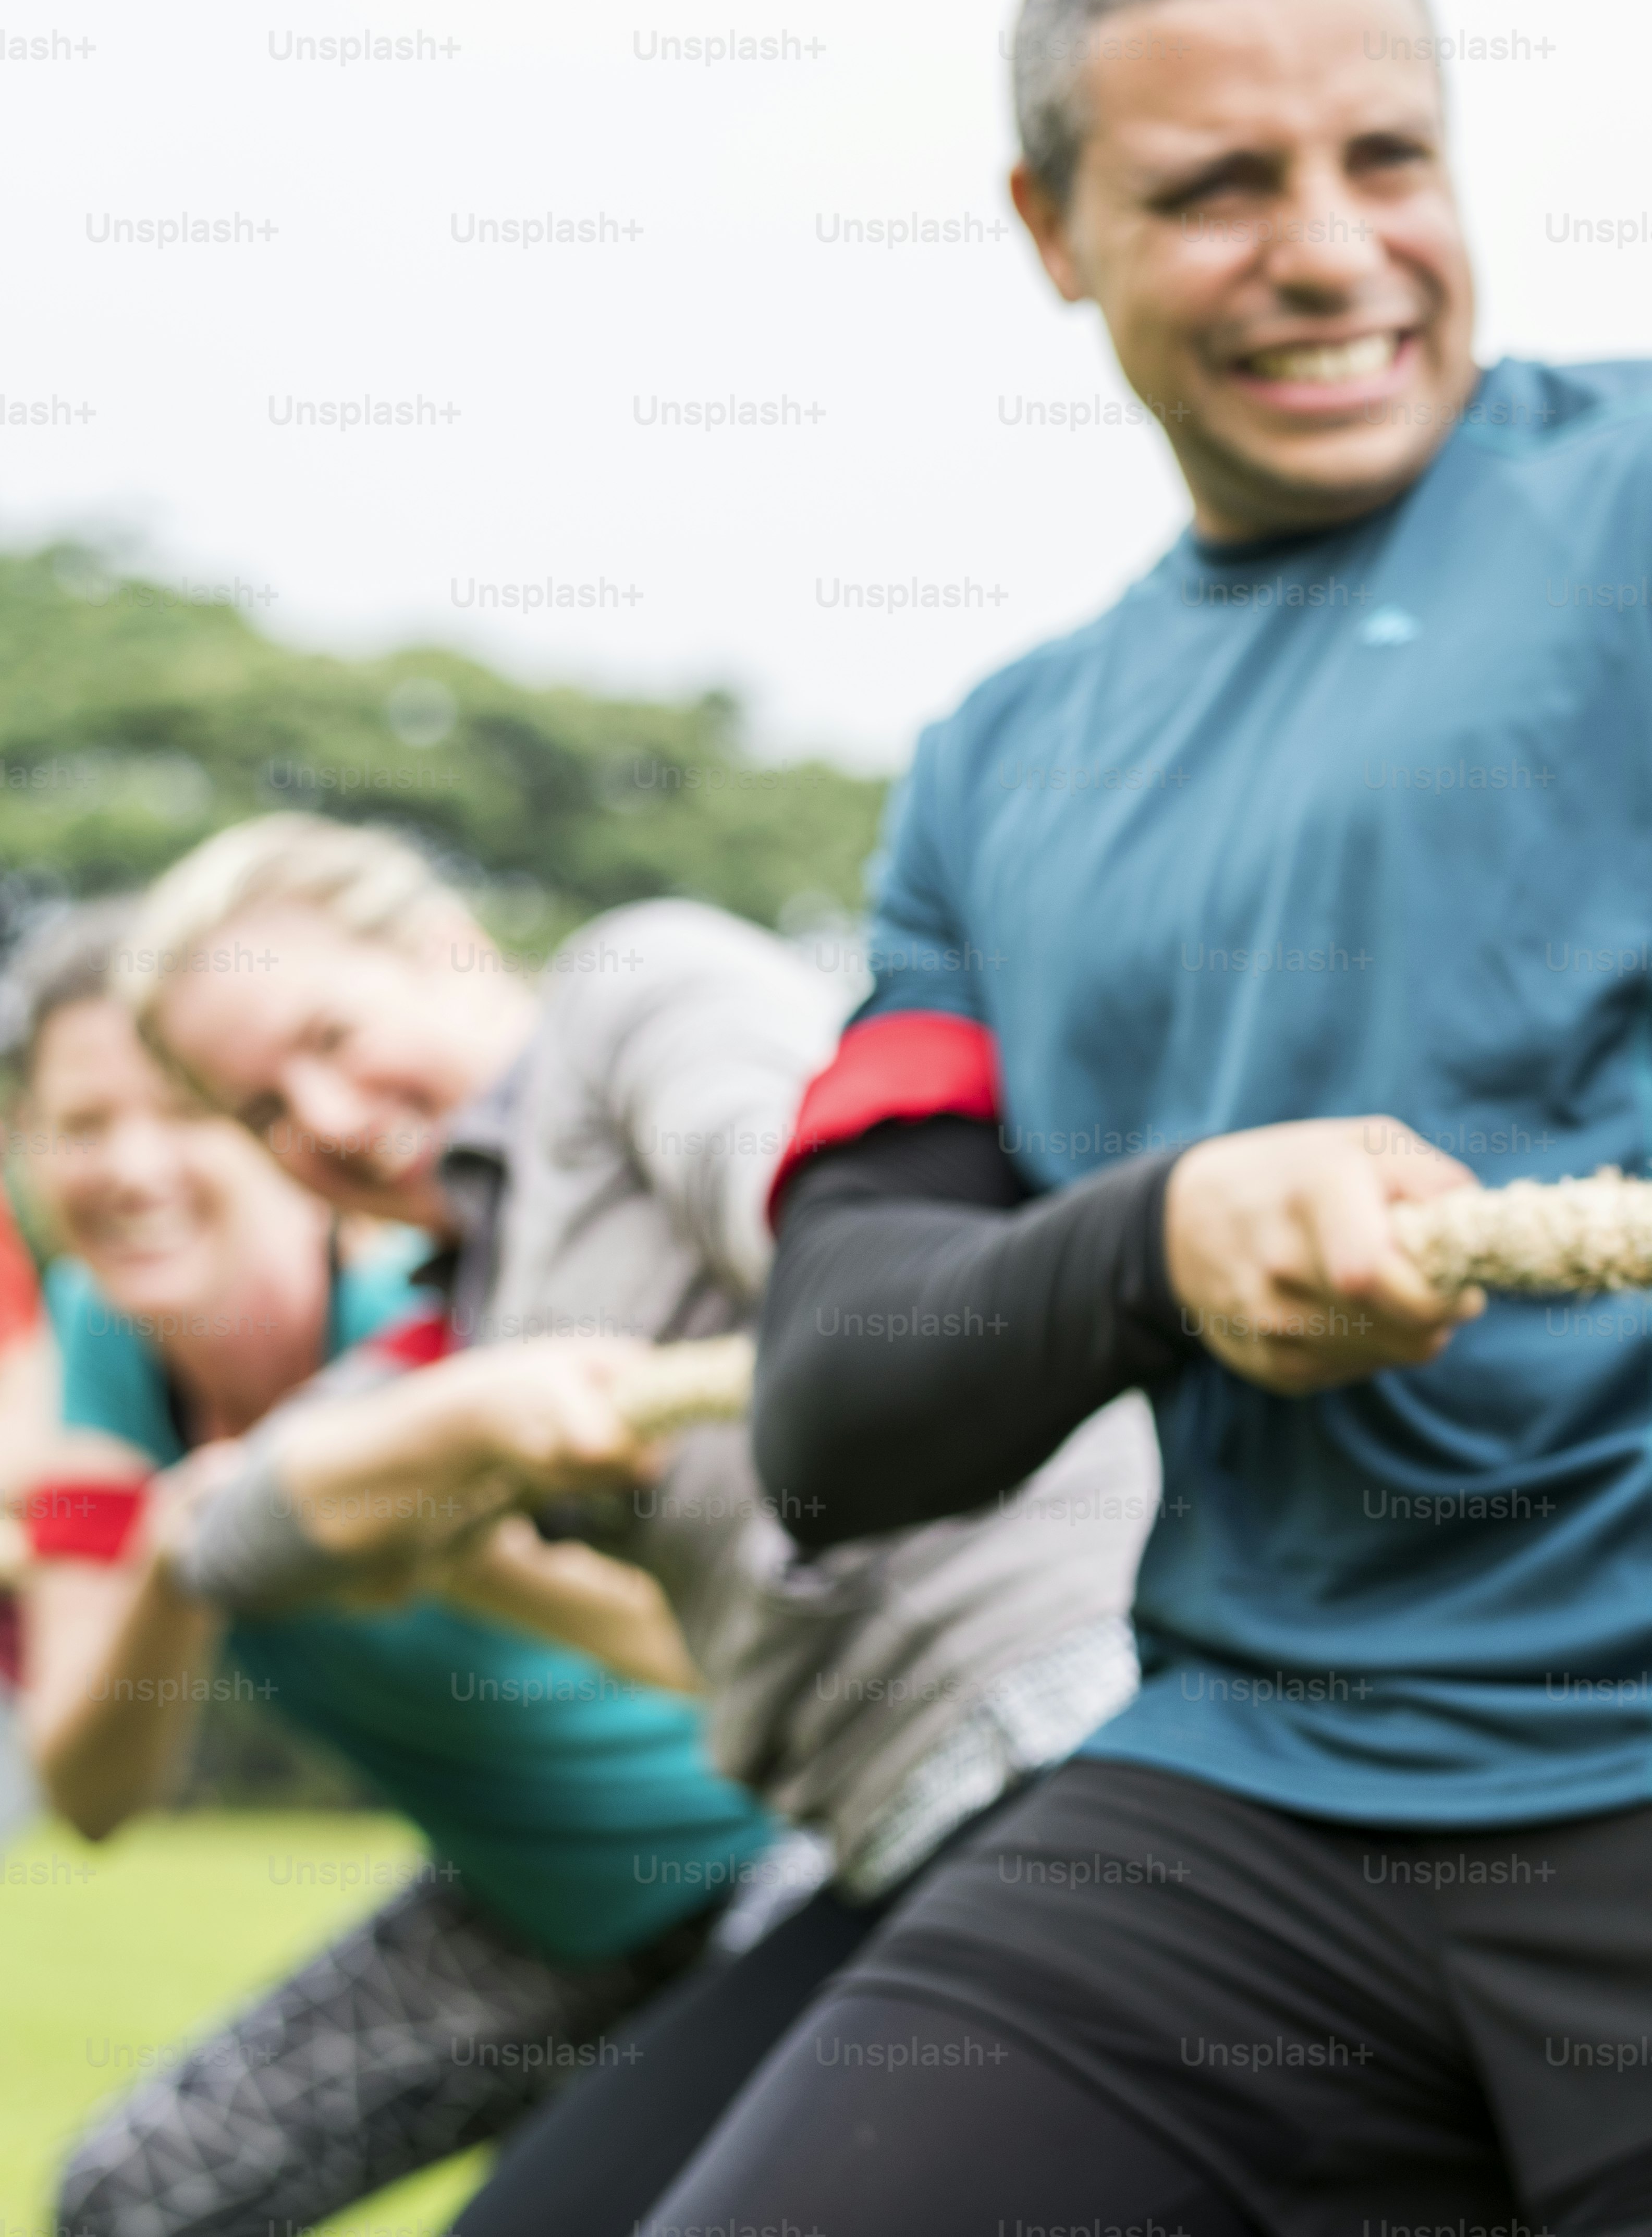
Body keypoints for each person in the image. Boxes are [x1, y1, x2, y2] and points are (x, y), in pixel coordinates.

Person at [642, 0, 1652, 2237]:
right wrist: (1159, 1236)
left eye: (1388, 159)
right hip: (1235, 1805)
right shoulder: (987, 772)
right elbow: (838, 1413)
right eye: (1218, 190)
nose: (1334, 247)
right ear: (1053, 228)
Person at [122, 816, 1161, 2237]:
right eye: (262, 1110)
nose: (331, 1116)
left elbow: (841, 1258)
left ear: (449, 949)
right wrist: (479, 1420)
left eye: (333, 1034)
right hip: (897, 1831)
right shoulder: (471, 1319)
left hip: (1072, 1721)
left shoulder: (630, 991)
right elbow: (236, 1537)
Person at [6, 902, 785, 2237]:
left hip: (758, 1876)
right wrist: (181, 1560)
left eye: (182, 1118)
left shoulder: (434, 1319)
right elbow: (91, 1789)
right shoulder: (106, 1344)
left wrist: (437, 1542)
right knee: (130, 2203)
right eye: (80, 1125)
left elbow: (703, 1643)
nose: (130, 1169)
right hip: (528, 1914)